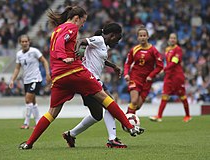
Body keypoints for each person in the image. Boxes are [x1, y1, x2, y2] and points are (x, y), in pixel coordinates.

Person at [18, 6, 143, 150]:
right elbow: (60, 44)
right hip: (74, 71)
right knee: (105, 97)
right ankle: (128, 127)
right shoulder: (71, 27)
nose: (83, 25)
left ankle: (29, 143)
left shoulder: (57, 30)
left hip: (58, 76)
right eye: (83, 21)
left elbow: (58, 43)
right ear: (76, 18)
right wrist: (64, 57)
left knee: (52, 112)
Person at [63, 22, 128, 148]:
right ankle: (112, 139)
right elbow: (81, 41)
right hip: (89, 80)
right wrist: (77, 52)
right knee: (110, 103)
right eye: (118, 38)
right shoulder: (98, 39)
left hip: (93, 80)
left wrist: (114, 66)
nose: (118, 42)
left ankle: (71, 134)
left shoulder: (103, 44)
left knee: (97, 115)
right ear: (112, 35)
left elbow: (101, 59)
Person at [9, 34, 51, 129]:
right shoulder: (19, 54)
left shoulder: (34, 51)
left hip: (35, 79)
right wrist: (12, 80)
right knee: (33, 102)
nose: (24, 43)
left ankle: (26, 123)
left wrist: (48, 74)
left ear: (29, 42)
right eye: (22, 42)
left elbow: (44, 61)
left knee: (28, 100)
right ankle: (38, 123)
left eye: (26, 41)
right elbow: (17, 68)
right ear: (20, 43)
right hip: (26, 80)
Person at [149, 33, 192, 122]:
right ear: (169, 39)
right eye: (171, 38)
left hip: (177, 76)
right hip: (168, 76)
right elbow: (168, 63)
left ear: (176, 40)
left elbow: (174, 62)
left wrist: (163, 69)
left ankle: (188, 115)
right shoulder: (167, 49)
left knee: (182, 96)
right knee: (164, 95)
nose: (172, 39)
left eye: (174, 38)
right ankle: (159, 116)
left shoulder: (178, 49)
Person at [124, 25, 163, 115]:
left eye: (144, 35)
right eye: (140, 36)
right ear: (137, 37)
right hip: (135, 77)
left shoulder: (153, 50)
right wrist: (126, 74)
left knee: (137, 106)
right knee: (134, 101)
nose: (142, 38)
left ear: (148, 37)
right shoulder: (134, 50)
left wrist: (151, 76)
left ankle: (128, 117)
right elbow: (127, 63)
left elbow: (160, 66)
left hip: (147, 81)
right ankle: (128, 122)